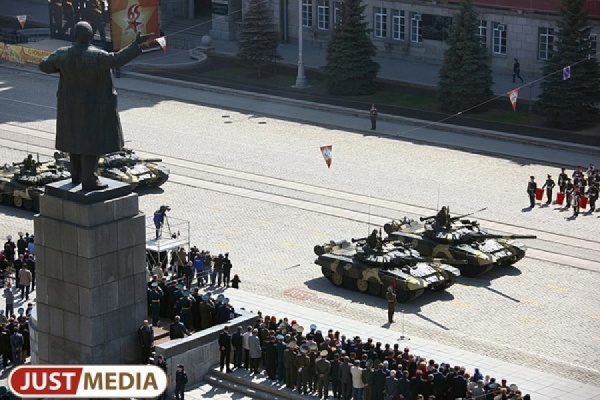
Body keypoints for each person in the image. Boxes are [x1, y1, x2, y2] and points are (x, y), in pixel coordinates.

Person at [38, 21, 153, 191]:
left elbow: (43, 65)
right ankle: (89, 179)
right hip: (94, 107)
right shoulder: (97, 56)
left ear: (74, 35)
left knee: (74, 141)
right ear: (91, 36)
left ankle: (76, 175)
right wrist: (136, 44)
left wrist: (62, 65)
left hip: (68, 108)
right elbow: (118, 59)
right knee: (91, 143)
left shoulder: (62, 54)